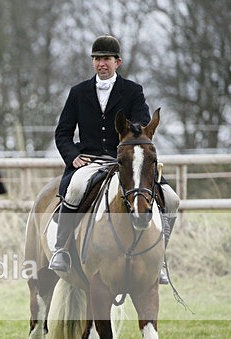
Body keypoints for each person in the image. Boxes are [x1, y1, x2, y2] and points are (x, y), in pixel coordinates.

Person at [50, 35, 179, 283]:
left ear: (117, 62)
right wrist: (73, 156)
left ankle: (160, 258)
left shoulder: (132, 91)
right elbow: (62, 133)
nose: (101, 64)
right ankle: (61, 250)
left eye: (106, 59)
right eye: (97, 59)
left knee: (171, 199)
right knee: (75, 187)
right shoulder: (78, 93)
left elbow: (141, 124)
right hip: (89, 161)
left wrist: (132, 139)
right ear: (93, 62)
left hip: (126, 163)